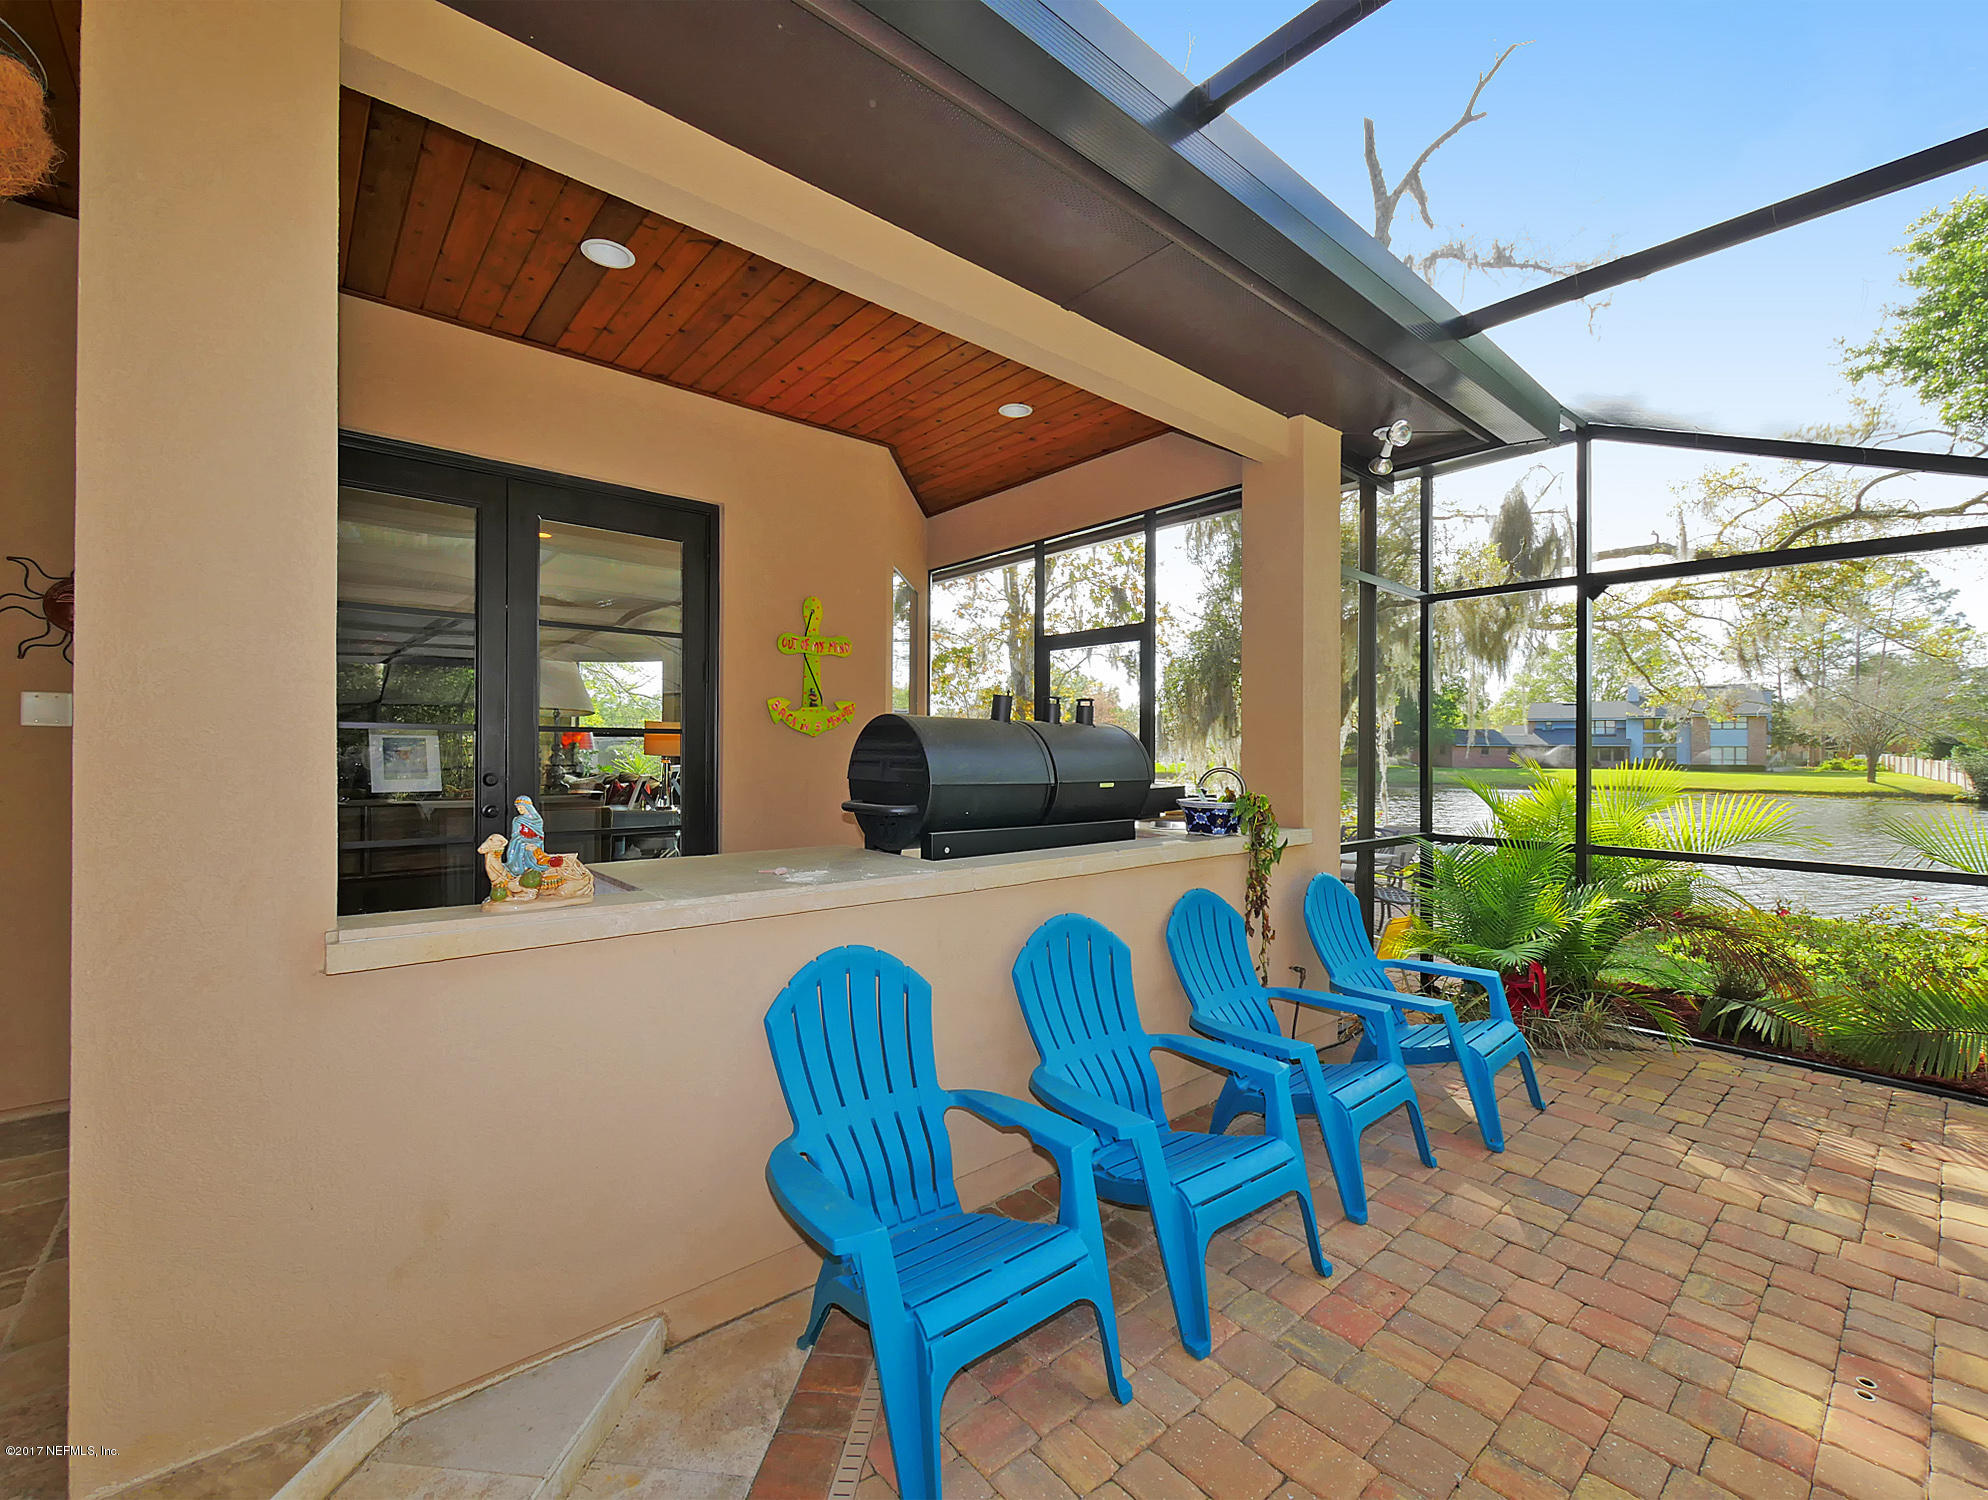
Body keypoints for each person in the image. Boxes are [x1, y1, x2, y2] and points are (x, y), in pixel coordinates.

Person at [503, 795, 551, 878]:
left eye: (521, 808)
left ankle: (534, 868)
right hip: (521, 840)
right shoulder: (517, 820)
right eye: (518, 808)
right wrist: (523, 843)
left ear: (528, 807)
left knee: (533, 850)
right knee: (520, 845)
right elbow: (515, 834)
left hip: (535, 841)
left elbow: (540, 835)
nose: (519, 810)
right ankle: (518, 868)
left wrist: (535, 843)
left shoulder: (537, 820)